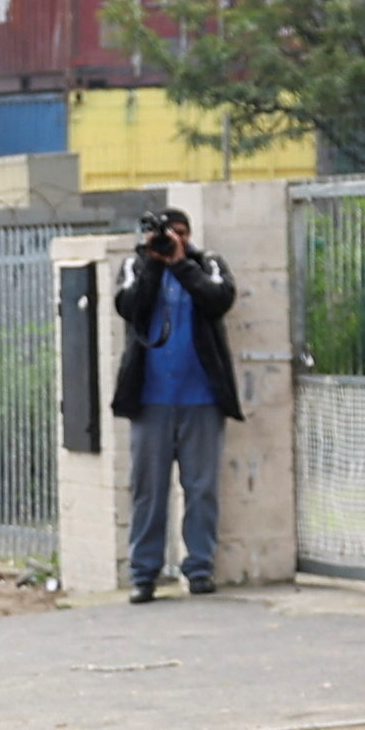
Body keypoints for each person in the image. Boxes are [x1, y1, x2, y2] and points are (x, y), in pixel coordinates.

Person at [111, 208, 240, 603]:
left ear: (190, 236)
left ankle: (199, 568)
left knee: (201, 488)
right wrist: (154, 264)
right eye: (168, 235)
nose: (174, 241)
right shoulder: (135, 265)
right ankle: (144, 573)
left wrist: (182, 264)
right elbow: (128, 307)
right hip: (151, 400)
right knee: (147, 492)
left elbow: (219, 299)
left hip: (201, 398)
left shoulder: (208, 264)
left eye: (181, 234)